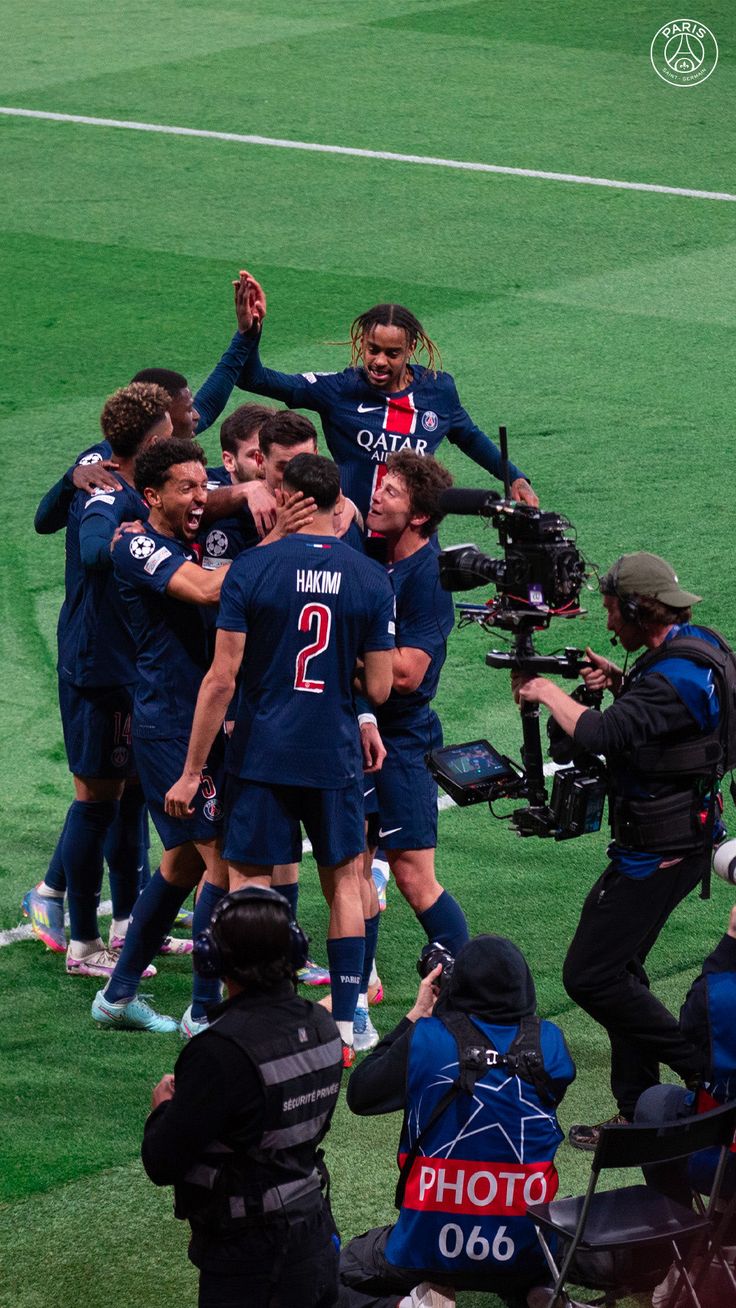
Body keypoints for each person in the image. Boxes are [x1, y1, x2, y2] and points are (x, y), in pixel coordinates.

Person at [164, 452, 395, 1063]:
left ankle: (250, 1021)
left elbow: (221, 679)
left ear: (289, 497)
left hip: (261, 754)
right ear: (337, 503)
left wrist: (191, 772)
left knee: (247, 887)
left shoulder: (252, 568)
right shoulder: (371, 578)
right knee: (346, 884)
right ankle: (346, 1024)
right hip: (333, 755)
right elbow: (378, 688)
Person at [512, 551, 728, 1148]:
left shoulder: (673, 679)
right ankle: (640, 1109)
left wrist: (546, 692)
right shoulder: (699, 648)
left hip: (660, 849)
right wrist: (621, 683)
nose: (608, 623)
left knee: (591, 976)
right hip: (682, 837)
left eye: (612, 611)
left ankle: (705, 1073)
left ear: (638, 610)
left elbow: (604, 732)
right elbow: (665, 720)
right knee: (622, 968)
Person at [339, 934, 575, 1308]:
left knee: (342, 1268)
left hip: (426, 1246)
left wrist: (418, 1014)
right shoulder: (551, 1043)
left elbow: (360, 1094)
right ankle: (535, 1291)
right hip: (523, 1248)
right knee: (530, 1252)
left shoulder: (427, 1040)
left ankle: (414, 1302)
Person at [28, 384, 173, 975]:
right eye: (170, 432)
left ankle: (128, 926)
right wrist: (131, 540)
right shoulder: (109, 492)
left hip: (127, 662)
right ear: (152, 443)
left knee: (131, 793)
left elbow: (45, 516)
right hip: (99, 669)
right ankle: (83, 943)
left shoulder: (111, 474)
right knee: (95, 802)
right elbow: (91, 550)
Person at [141, 885, 342, 1308]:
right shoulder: (323, 1026)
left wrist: (163, 1109)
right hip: (316, 1238)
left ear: (213, 959)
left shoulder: (218, 1053)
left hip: (252, 1261)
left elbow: (162, 1162)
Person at [91, 437, 231, 1035]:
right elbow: (205, 590)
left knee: (180, 866)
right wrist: (282, 548)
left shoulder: (189, 539)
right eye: (186, 488)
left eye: (204, 485)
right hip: (171, 725)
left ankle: (118, 996)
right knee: (223, 863)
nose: (200, 497)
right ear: (151, 495)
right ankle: (203, 1009)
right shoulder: (138, 545)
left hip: (197, 719)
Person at [233, 277, 538, 521]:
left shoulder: (438, 391)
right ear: (362, 343)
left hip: (414, 541)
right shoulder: (339, 389)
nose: (379, 361)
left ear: (411, 348)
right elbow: (253, 378)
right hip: (353, 534)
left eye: (392, 353)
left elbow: (469, 437)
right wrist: (250, 333)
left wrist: (515, 478)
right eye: (373, 349)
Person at [356, 452, 469, 1052]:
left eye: (392, 492)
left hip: (402, 739)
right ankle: (357, 1001)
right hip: (359, 733)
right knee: (355, 869)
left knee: (413, 876)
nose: (377, 496)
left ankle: (470, 991)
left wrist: (342, 654)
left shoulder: (429, 578)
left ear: (420, 515)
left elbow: (405, 674)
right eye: (380, 485)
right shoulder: (372, 551)